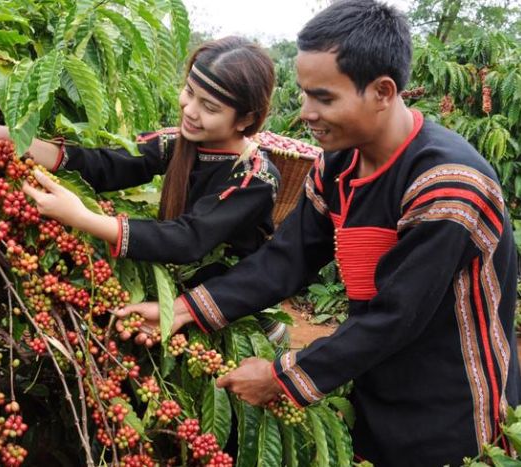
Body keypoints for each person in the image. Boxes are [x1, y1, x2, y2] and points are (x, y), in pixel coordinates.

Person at [116, 1, 521, 465]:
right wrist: (184, 310)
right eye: (305, 93)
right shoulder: (337, 164)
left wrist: (282, 377)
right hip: (376, 378)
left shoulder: (447, 183)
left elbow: (397, 316)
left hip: (452, 404)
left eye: (324, 98)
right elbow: (286, 259)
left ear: (383, 91)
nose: (305, 112)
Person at [0, 36, 288, 343]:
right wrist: (18, 142)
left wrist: (82, 217)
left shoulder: (255, 178)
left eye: (210, 107)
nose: (189, 110)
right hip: (174, 297)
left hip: (229, 313)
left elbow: (187, 239)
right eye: (189, 92)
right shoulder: (178, 142)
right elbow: (109, 164)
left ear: (246, 120)